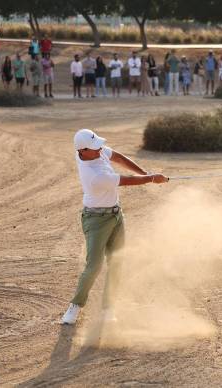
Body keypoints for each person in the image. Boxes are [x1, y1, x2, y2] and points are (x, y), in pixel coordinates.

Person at [60, 129, 168, 326]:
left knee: (117, 262)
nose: (100, 149)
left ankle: (108, 308)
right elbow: (126, 181)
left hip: (116, 216)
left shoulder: (93, 151)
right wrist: (151, 178)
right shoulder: (95, 176)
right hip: (95, 220)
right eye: (94, 147)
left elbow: (117, 156)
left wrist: (145, 173)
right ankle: (75, 306)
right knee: (94, 266)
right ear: (82, 151)